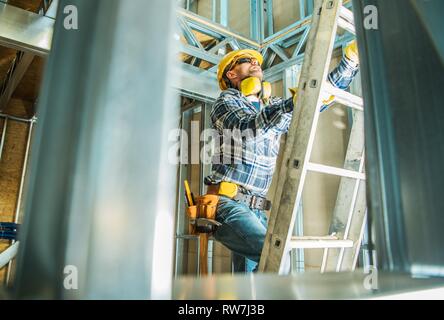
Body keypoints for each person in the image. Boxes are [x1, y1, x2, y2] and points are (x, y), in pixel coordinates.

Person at [204, 42, 360, 273]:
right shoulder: (226, 102)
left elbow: (314, 101)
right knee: (274, 260)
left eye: (257, 60)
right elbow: (247, 130)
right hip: (227, 203)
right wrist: (292, 104)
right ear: (232, 73)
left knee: (249, 281)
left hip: (255, 207)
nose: (256, 62)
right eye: (247, 60)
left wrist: (350, 61)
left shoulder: (271, 106)